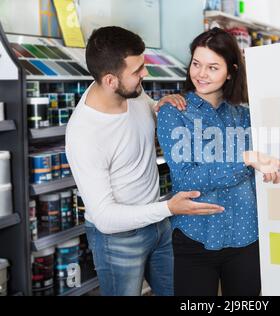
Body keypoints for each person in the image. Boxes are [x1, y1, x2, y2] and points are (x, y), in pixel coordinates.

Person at [66, 26, 224, 296]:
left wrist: (161, 105)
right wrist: (169, 209)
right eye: (137, 71)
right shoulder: (84, 134)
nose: (145, 74)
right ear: (110, 80)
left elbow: (146, 110)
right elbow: (104, 218)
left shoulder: (132, 92)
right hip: (119, 240)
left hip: (159, 224)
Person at [157, 28, 280, 296]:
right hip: (194, 237)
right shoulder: (174, 113)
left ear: (230, 72)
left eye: (213, 67)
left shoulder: (244, 115)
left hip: (246, 236)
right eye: (196, 64)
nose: (201, 74)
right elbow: (187, 178)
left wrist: (270, 173)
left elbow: (260, 167)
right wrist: (245, 159)